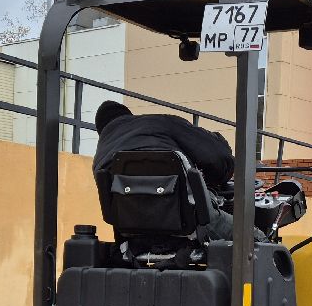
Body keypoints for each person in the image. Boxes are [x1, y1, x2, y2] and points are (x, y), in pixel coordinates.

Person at [92, 100, 235, 238]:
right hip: (192, 219)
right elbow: (216, 155)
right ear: (129, 118)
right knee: (251, 239)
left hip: (134, 234)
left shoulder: (101, 157)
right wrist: (220, 176)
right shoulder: (159, 123)